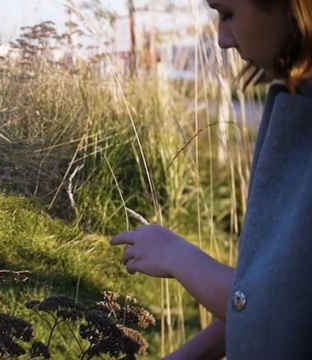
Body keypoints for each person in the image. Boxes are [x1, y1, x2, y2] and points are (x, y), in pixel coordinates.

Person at [109, 0, 312, 358]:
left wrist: (180, 258)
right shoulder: (295, 99)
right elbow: (275, 287)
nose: (222, 39)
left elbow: (278, 316)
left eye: (228, 13)